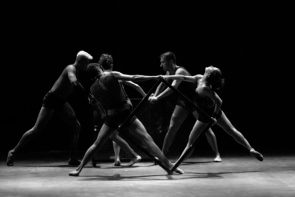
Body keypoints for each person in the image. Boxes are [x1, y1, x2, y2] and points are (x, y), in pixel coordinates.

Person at [69, 62, 183, 176]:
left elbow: (100, 107)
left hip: (111, 117)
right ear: (100, 68)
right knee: (147, 139)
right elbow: (134, 78)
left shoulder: (93, 88)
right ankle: (169, 166)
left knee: (96, 144)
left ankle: (78, 169)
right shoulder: (112, 75)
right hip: (125, 114)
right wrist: (154, 77)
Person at [161, 65, 264, 170]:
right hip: (211, 112)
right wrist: (166, 77)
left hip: (207, 115)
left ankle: (175, 166)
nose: (210, 66)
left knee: (191, 142)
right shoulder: (199, 78)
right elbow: (182, 78)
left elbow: (219, 101)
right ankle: (250, 148)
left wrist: (213, 116)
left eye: (211, 67)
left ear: (209, 74)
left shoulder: (205, 87)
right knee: (231, 130)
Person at [6, 50, 93, 166]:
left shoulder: (76, 71)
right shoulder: (70, 69)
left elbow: (75, 84)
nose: (87, 66)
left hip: (61, 101)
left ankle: (72, 158)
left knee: (76, 126)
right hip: (52, 99)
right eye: (86, 63)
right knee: (37, 129)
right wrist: (86, 94)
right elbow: (74, 82)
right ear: (81, 62)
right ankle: (13, 152)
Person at [149, 51, 221, 162]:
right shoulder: (169, 72)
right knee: (172, 127)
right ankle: (162, 155)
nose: (161, 65)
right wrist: (155, 94)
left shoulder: (180, 70)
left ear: (171, 61)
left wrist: (158, 98)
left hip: (195, 101)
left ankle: (217, 154)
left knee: (205, 128)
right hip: (184, 101)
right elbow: (162, 83)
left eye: (163, 62)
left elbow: (173, 87)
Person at [92, 54, 142, 167]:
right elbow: (135, 85)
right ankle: (119, 158)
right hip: (123, 106)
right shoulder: (113, 76)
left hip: (119, 109)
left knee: (114, 134)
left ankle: (133, 156)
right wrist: (145, 96)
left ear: (100, 65)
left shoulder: (106, 78)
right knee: (114, 134)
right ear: (112, 64)